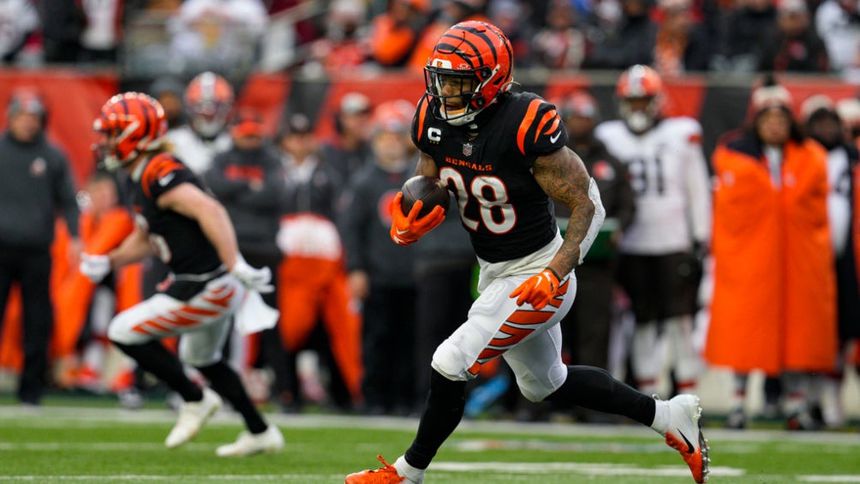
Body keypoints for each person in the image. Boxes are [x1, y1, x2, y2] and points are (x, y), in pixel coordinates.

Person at [346, 21, 709, 484]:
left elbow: (588, 203)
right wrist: (413, 209)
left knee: (451, 360)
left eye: (457, 82)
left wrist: (556, 271)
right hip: (495, 269)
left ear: (491, 80)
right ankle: (667, 415)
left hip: (538, 271)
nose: (445, 93)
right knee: (544, 383)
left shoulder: (524, 121)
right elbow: (429, 175)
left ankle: (406, 473)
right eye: (441, 81)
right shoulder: (432, 116)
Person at [80, 92, 284, 456]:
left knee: (122, 331)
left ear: (133, 134)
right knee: (203, 358)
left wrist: (235, 262)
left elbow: (210, 210)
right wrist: (109, 261)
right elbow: (147, 237)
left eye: (111, 133)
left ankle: (195, 398)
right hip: (204, 282)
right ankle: (260, 431)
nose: (105, 142)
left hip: (209, 285)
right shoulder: (141, 173)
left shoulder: (159, 170)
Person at [704, 81, 837, 430]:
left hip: (797, 264)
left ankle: (796, 406)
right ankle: (737, 405)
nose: (775, 125)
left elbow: (815, 212)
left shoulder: (810, 157)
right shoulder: (735, 157)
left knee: (796, 338)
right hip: (750, 263)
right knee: (746, 336)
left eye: (781, 119)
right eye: (768, 119)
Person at [595, 65, 711, 398]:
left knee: (679, 322)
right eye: (632, 101)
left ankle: (688, 397)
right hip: (631, 243)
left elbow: (697, 189)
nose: (638, 108)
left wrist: (701, 235)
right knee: (641, 321)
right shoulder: (609, 136)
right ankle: (649, 400)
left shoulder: (682, 133)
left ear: (657, 101)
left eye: (643, 100)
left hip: (673, 241)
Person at [204, 108, 290, 407]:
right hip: (230, 249)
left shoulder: (272, 159)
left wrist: (235, 193)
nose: (251, 141)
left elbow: (275, 194)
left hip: (264, 249)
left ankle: (284, 389)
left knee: (270, 321)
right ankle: (221, 386)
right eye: (246, 136)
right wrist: (248, 187)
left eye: (254, 136)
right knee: (222, 319)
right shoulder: (222, 158)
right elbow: (213, 186)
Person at [339, 101, 420, 415]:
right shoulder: (364, 181)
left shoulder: (419, 177)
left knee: (410, 339)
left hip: (413, 272)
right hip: (378, 274)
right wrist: (356, 268)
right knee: (376, 338)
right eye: (385, 136)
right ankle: (374, 398)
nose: (391, 143)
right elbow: (352, 229)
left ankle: (405, 398)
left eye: (397, 136)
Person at [0, 89, 81, 405]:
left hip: (37, 250)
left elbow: (69, 201)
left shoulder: (53, 155)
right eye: (22, 116)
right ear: (10, 118)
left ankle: (31, 390)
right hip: (1, 247)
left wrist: (75, 237)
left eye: (33, 117)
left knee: (37, 320)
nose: (28, 123)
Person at [554, 91, 635, 386]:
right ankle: (547, 401)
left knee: (595, 330)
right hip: (555, 262)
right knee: (552, 330)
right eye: (575, 118)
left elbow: (628, 204)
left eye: (586, 118)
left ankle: (591, 399)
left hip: (597, 263)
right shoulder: (550, 160)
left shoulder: (611, 162)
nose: (580, 123)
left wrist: (621, 227)